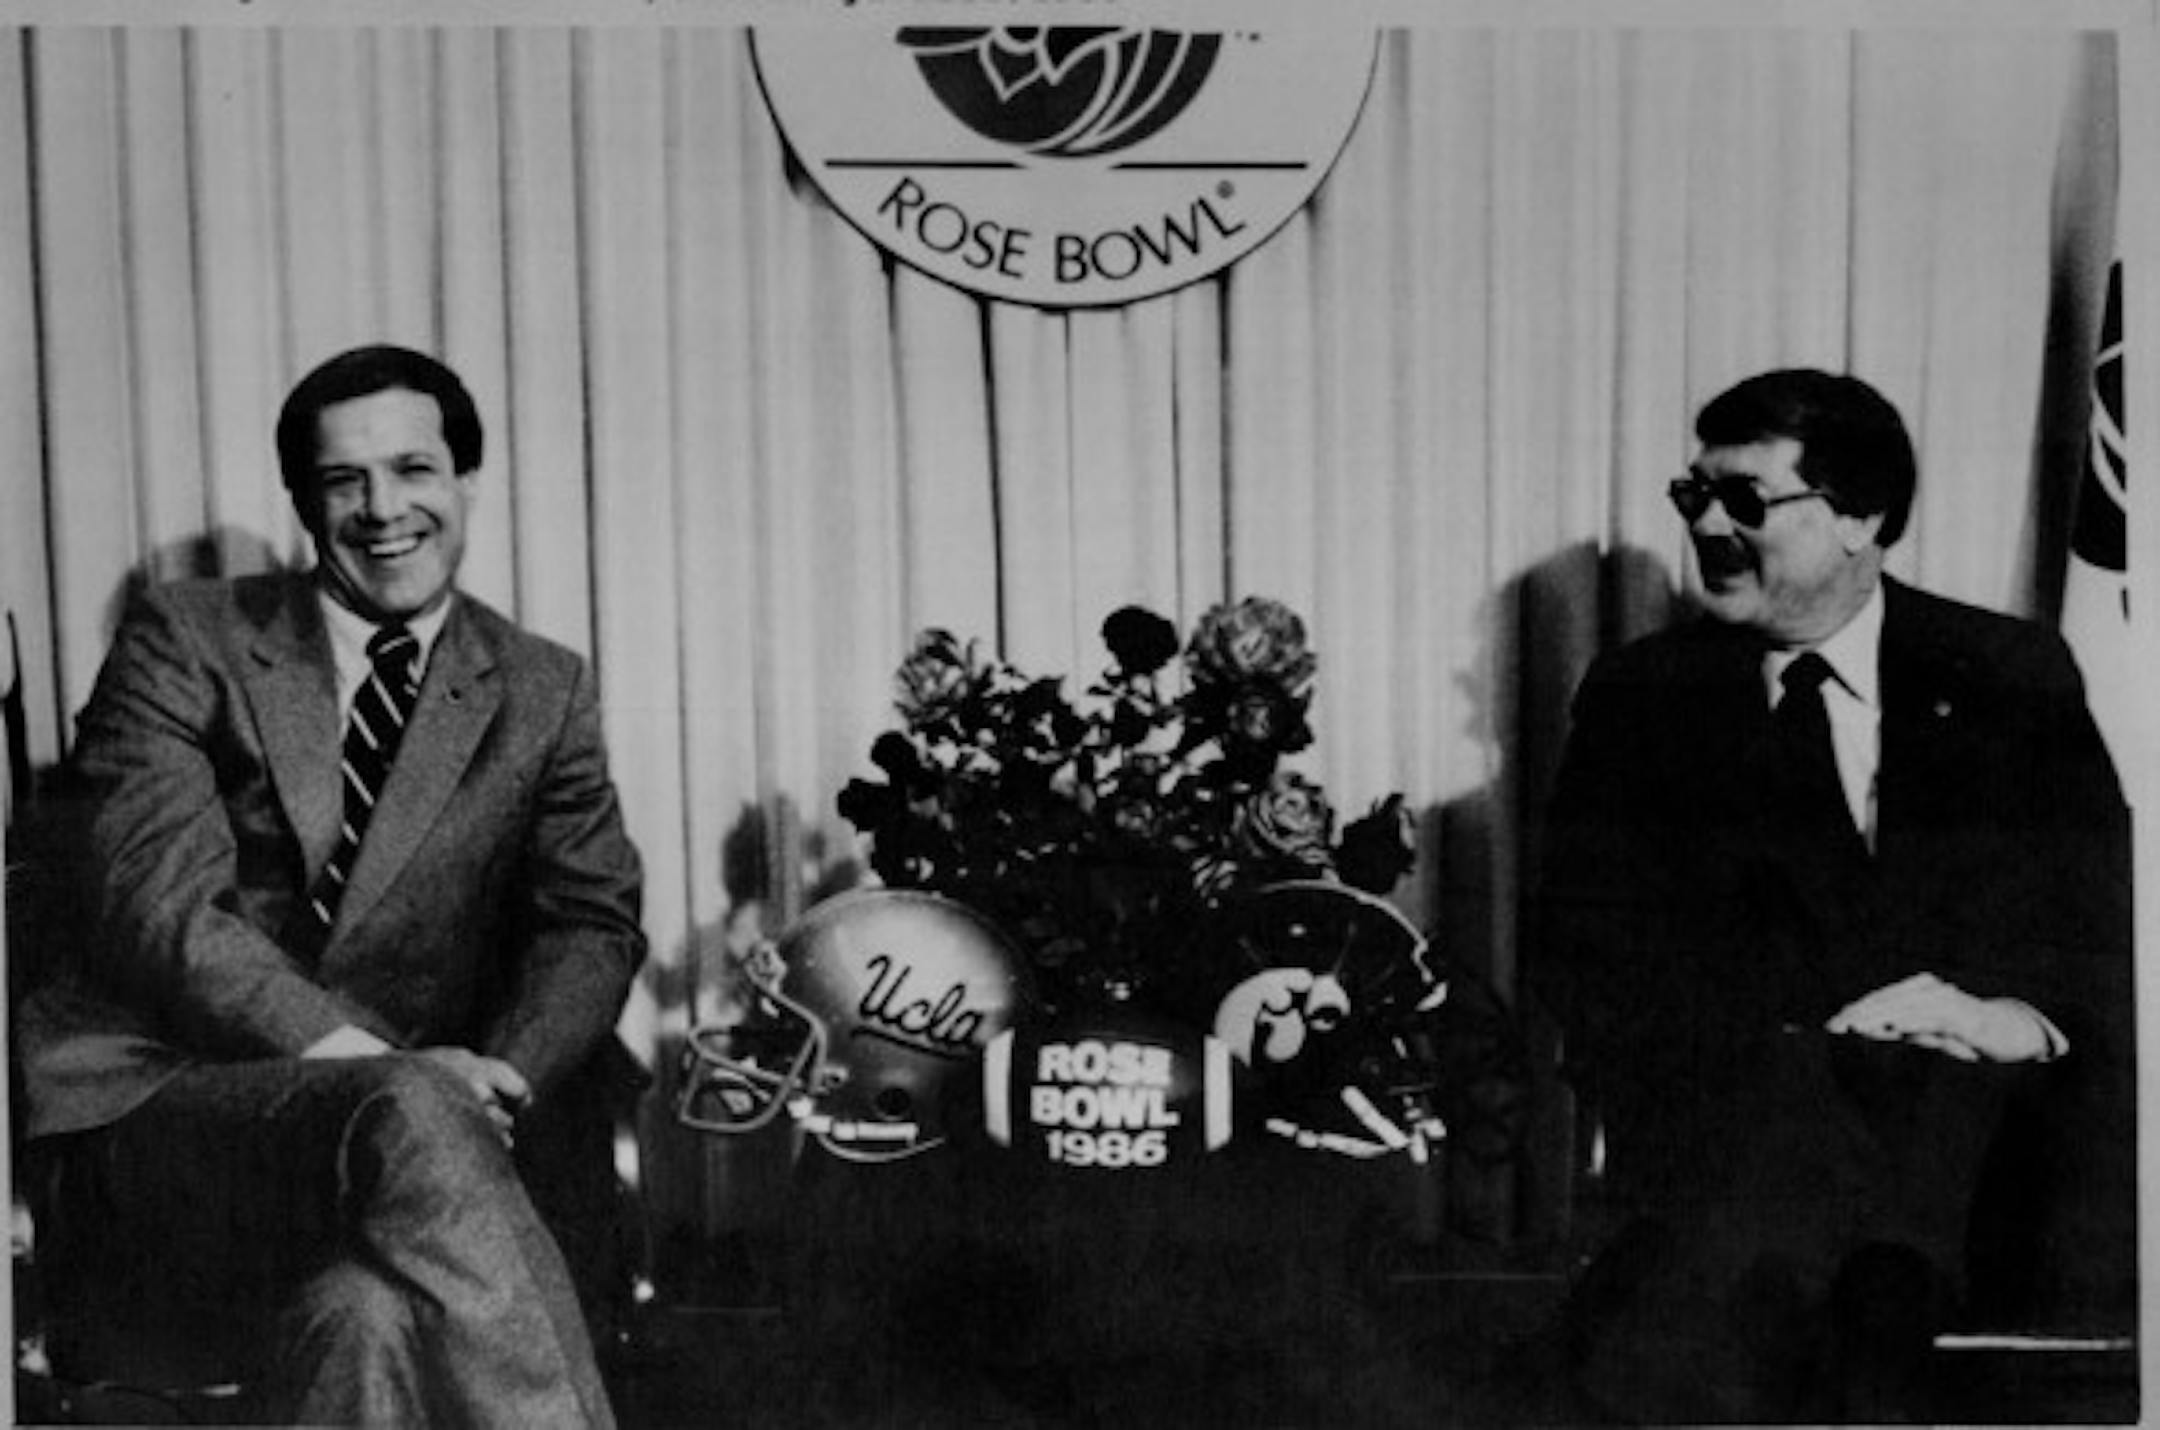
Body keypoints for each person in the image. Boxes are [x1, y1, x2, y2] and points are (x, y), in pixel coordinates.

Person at [15, 344, 647, 1427]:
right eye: (343, 480)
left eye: (413, 469)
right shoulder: (187, 637)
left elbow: (588, 921)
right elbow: (160, 910)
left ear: (465, 483)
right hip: (169, 1116)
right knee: (409, 1102)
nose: (383, 507)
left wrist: (501, 1074)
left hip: (418, 1162)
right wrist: (401, 1074)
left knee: (360, 1316)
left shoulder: (541, 686)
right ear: (306, 500)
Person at [1535, 369, 2133, 1422]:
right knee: (1828, 1214)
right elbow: (1579, 961)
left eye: (1746, 500)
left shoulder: (2009, 675)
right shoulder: (1642, 702)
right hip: (1736, 1152)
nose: (1709, 525)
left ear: (1860, 516)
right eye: (1695, 496)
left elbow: (2111, 924)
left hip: (1989, 1152)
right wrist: (1794, 1049)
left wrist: (2003, 1020)